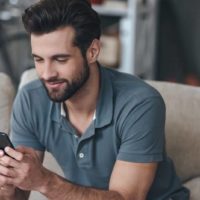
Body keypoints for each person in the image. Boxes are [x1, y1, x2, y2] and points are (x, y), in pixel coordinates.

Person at [0, 0, 189, 199]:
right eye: (38, 59)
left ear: (93, 51)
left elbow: (127, 198)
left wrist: (45, 181)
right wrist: (7, 185)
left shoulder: (140, 103)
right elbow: (19, 194)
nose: (47, 74)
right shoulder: (32, 100)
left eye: (60, 59)